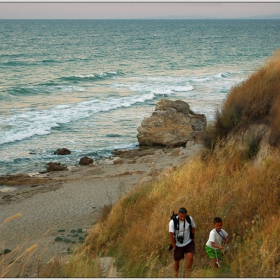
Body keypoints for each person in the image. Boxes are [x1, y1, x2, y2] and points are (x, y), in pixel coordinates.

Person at [169, 207, 196, 277]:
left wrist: (192, 238)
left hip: (188, 241)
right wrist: (174, 246)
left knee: (190, 257)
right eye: (181, 216)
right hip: (178, 244)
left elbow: (193, 228)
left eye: (184, 216)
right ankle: (176, 275)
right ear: (178, 214)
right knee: (177, 260)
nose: (183, 218)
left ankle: (187, 274)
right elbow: (171, 235)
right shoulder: (173, 222)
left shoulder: (189, 219)